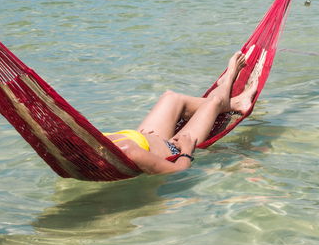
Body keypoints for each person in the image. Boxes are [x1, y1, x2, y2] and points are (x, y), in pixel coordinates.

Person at [103, 51, 250, 174]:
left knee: (171, 97)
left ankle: (232, 101)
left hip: (147, 138)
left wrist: (142, 139)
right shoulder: (129, 152)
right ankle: (229, 83)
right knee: (215, 102)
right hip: (174, 147)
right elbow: (178, 170)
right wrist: (186, 150)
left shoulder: (94, 143)